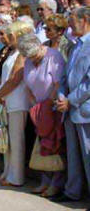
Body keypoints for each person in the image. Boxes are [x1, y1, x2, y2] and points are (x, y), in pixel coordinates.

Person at [19, 33, 66, 197]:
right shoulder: (28, 61)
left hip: (52, 108)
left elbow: (58, 83)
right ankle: (45, 181)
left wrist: (47, 104)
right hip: (38, 109)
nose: (33, 59)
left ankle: (56, 183)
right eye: (29, 57)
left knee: (54, 145)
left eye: (35, 55)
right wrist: (35, 105)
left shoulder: (54, 56)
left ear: (40, 47)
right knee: (41, 146)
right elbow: (28, 85)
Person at [53, 7, 90, 203]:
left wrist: (70, 100)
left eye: (73, 19)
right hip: (69, 109)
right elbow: (65, 76)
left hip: (84, 109)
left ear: (85, 19)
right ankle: (72, 192)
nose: (69, 23)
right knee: (74, 156)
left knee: (88, 154)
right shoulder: (75, 46)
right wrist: (61, 96)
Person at [0, 21, 33, 187]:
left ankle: (16, 176)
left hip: (17, 100)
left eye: (11, 35)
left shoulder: (22, 53)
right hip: (8, 99)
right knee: (7, 140)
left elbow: (15, 79)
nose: (8, 38)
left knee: (16, 140)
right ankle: (7, 172)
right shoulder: (12, 52)